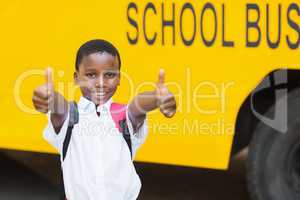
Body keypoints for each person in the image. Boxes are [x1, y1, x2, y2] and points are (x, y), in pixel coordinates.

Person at [32, 39, 176, 200]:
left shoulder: (123, 115)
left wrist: (157, 98)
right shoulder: (70, 116)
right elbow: (59, 107)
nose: (100, 83)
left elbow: (138, 104)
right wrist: (49, 98)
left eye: (109, 75)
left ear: (119, 78)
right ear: (76, 77)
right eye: (91, 75)